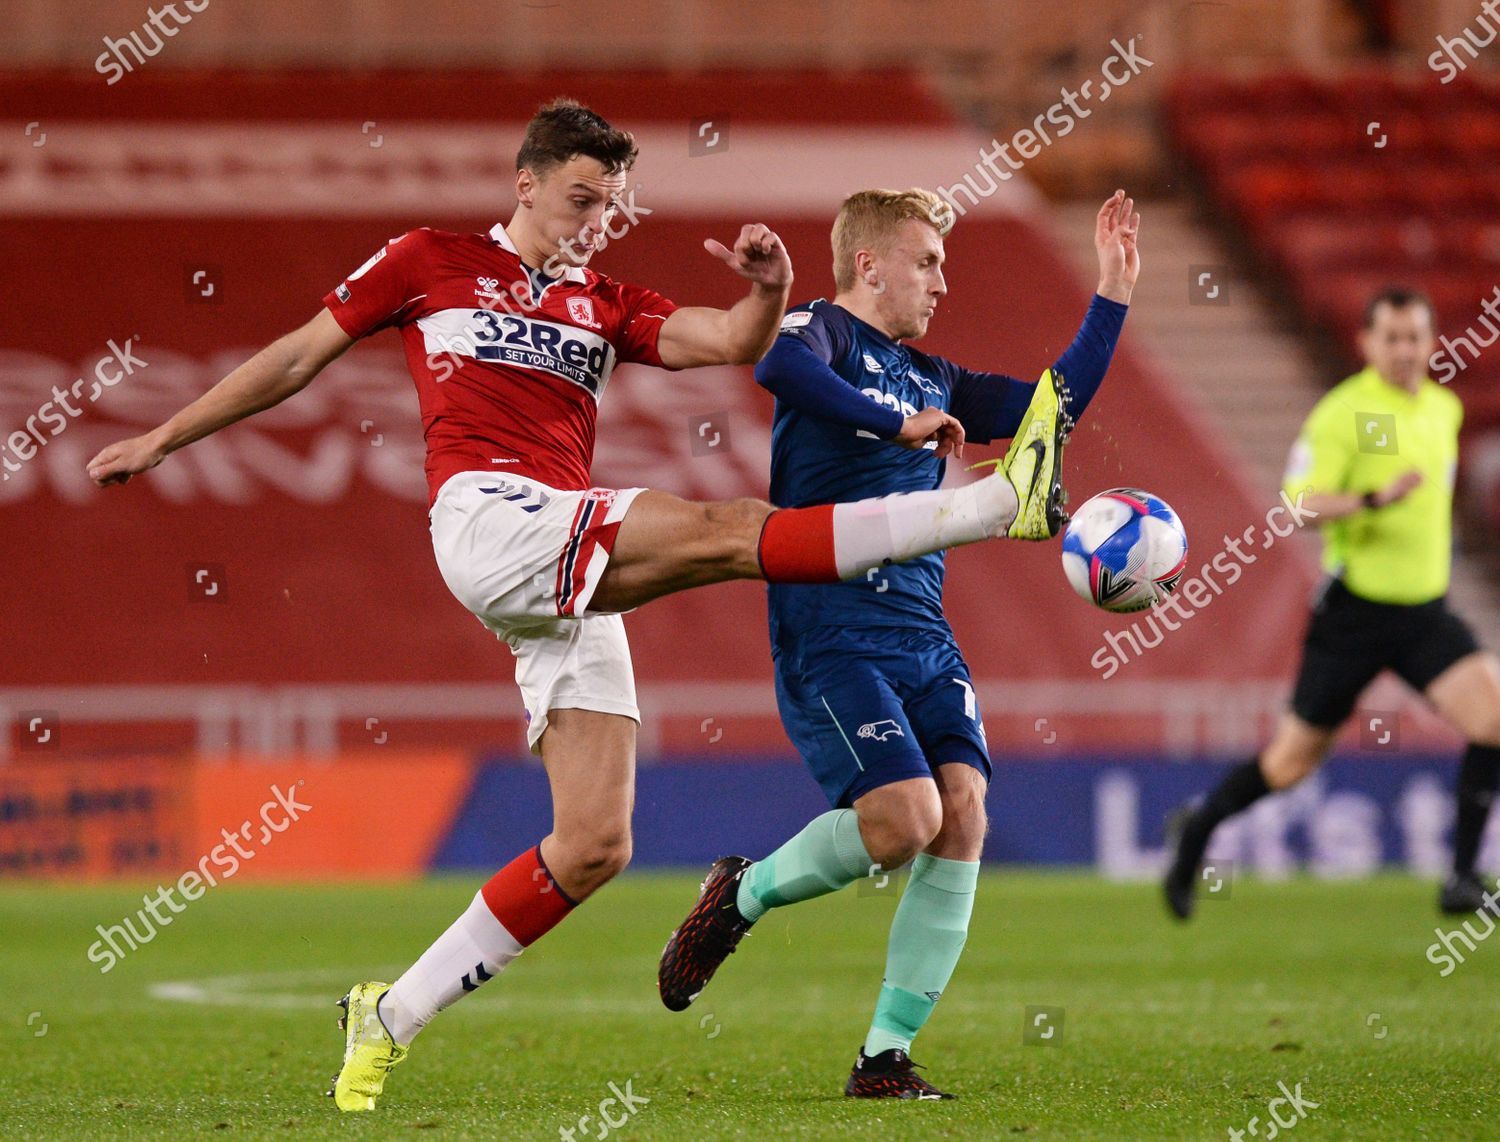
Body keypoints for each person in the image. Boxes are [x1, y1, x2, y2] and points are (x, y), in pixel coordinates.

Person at [84, 100, 1072, 1112]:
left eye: (611, 204)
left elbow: (729, 338)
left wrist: (770, 288)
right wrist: (164, 437)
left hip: (566, 556)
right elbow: (298, 354)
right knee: (731, 529)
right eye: (581, 198)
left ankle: (387, 1011)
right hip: (489, 516)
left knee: (595, 842)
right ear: (527, 184)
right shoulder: (429, 260)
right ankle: (993, 505)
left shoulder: (603, 300)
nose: (597, 219)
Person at [657, 188, 1139, 1098]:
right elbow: (777, 375)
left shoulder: (937, 376)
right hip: (831, 628)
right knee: (902, 822)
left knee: (961, 816)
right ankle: (744, 892)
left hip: (923, 632)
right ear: (870, 264)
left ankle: (883, 1058)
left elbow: (1049, 408)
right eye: (927, 262)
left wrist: (1110, 294)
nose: (941, 281)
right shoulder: (821, 333)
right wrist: (893, 424)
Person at [1163, 287, 1500, 920]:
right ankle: (1199, 830)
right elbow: (1296, 507)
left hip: (1425, 613)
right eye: (1391, 338)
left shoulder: (1444, 410)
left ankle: (1460, 878)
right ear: (1367, 343)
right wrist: (1372, 501)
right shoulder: (1343, 416)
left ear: (1431, 342)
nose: (1404, 350)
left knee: (1494, 722)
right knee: (1289, 765)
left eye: (1414, 337)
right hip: (1355, 615)